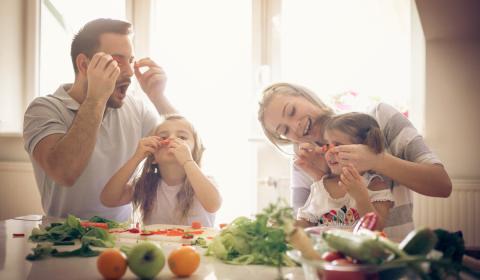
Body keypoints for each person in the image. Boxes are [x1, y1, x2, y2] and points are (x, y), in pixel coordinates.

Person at [23, 18, 176, 222]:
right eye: (117, 60)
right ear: (84, 65)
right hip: (62, 237)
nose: (130, 72)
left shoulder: (135, 108)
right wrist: (96, 98)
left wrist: (158, 97)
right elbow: (64, 173)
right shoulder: (43, 109)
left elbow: (185, 153)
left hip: (122, 236)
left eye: (130, 60)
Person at [258, 82, 452, 238]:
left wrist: (376, 160)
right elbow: (303, 229)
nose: (295, 126)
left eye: (291, 111)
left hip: (395, 264)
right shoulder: (304, 163)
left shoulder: (379, 118)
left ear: (306, 96)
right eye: (284, 131)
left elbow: (442, 185)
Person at [100, 115, 222, 227]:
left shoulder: (204, 182)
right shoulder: (145, 185)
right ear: (153, 157)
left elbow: (213, 205)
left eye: (182, 137)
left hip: (197, 250)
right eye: (163, 137)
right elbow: (108, 199)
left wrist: (188, 162)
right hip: (156, 250)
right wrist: (137, 157)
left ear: (195, 153)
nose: (172, 139)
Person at [297, 112, 394, 230]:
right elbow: (307, 222)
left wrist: (360, 196)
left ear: (363, 149)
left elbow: (376, 228)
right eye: (327, 145)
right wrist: (284, 225)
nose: (330, 152)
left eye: (338, 145)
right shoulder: (320, 187)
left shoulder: (374, 185)